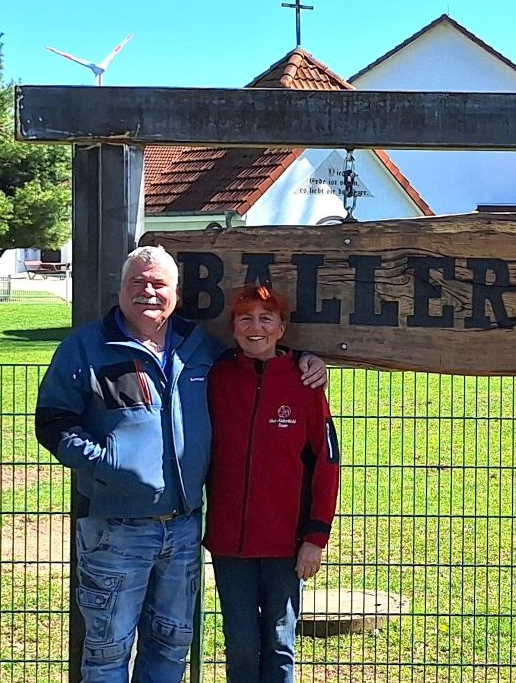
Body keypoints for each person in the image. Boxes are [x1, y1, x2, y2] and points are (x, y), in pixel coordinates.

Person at [34, 246, 325, 683]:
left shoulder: (198, 345)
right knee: (109, 650)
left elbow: (258, 351)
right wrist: (105, 463)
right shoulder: (87, 346)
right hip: (117, 527)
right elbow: (53, 420)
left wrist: (303, 357)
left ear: (176, 292)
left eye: (159, 284)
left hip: (184, 527)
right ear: (120, 289)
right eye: (137, 282)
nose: (148, 292)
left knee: (170, 647)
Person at [204, 284, 340, 683]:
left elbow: (327, 463)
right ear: (233, 327)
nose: (255, 327)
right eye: (245, 318)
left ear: (281, 328)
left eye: (266, 319)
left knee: (280, 642)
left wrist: (316, 537)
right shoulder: (216, 377)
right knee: (241, 645)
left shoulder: (304, 383)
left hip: (286, 543)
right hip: (230, 543)